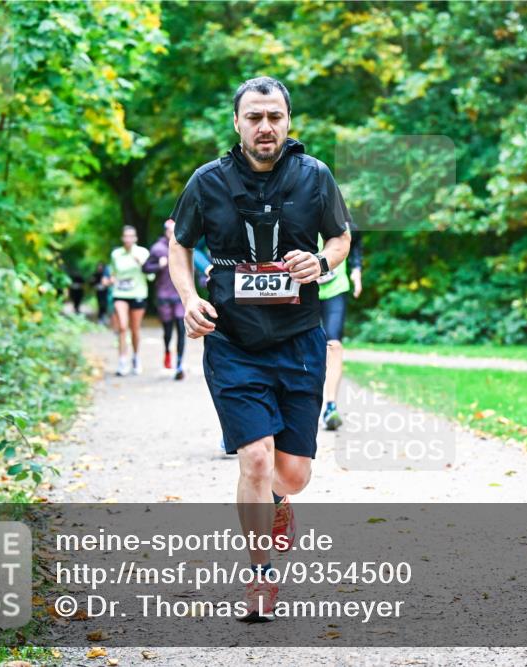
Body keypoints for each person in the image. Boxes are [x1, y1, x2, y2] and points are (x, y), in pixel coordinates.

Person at [167, 76, 351, 621]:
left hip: (298, 340)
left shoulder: (316, 176)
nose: (265, 127)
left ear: (288, 119)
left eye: (274, 116)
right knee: (254, 457)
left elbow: (340, 237)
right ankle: (260, 575)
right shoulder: (208, 182)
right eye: (254, 117)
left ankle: (279, 506)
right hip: (233, 340)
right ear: (237, 122)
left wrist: (322, 262)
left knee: (293, 474)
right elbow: (181, 245)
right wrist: (187, 298)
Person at [317, 226, 363, 430]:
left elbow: (355, 240)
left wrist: (356, 270)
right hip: (301, 288)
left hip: (335, 287)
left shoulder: (339, 215)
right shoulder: (297, 205)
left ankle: (330, 406)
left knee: (333, 344)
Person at [144, 220, 187, 380]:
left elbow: (192, 267)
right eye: (170, 231)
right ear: (165, 231)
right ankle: (168, 351)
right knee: (168, 331)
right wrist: (159, 266)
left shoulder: (183, 247)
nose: (172, 234)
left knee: (182, 330)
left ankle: (180, 364)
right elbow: (145, 268)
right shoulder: (157, 248)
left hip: (180, 295)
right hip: (163, 295)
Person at [109, 225, 151, 377]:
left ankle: (136, 357)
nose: (128, 239)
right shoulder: (116, 254)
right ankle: (122, 361)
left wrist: (140, 263)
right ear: (122, 238)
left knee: (135, 329)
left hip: (138, 293)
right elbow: (113, 272)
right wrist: (110, 279)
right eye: (125, 236)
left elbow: (150, 274)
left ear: (135, 238)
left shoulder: (143, 252)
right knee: (122, 326)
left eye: (131, 236)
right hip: (120, 293)